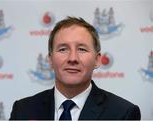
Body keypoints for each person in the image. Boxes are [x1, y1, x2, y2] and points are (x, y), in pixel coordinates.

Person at [10, 16, 141, 120]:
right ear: (50, 60)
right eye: (63, 49)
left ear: (97, 60)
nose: (73, 58)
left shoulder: (123, 113)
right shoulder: (22, 110)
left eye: (82, 49)